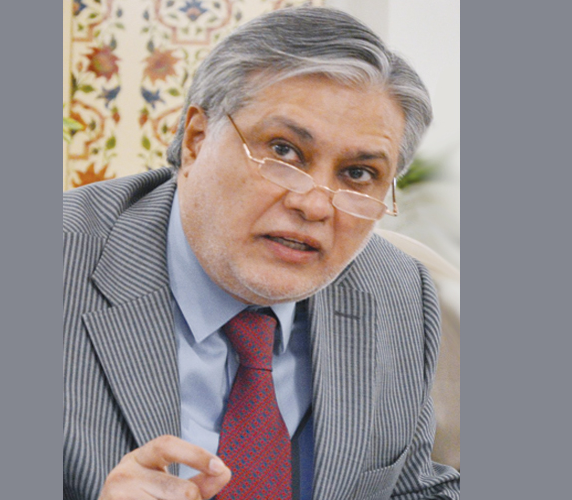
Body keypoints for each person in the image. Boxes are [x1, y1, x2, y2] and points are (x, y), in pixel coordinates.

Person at [63, 7, 460, 500]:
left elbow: (411, 489)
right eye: (283, 151)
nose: (314, 205)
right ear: (196, 141)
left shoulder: (397, 291)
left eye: (358, 174)